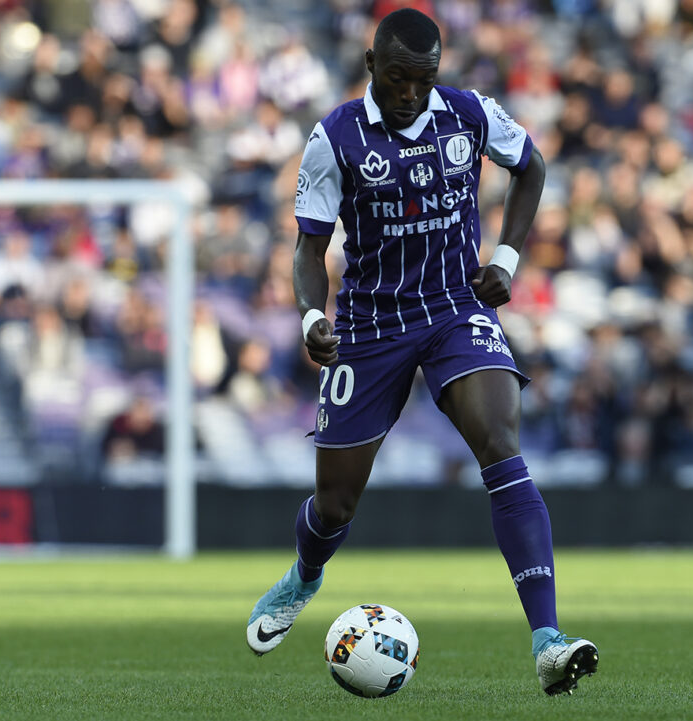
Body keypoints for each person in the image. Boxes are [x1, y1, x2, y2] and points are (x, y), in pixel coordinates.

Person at [245, 8, 598, 696]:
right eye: (399, 77)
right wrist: (314, 313)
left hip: (453, 310)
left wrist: (507, 255)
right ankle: (305, 575)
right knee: (335, 505)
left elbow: (532, 167)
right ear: (372, 66)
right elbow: (310, 247)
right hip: (371, 326)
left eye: (424, 79)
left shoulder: (468, 114)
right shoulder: (336, 137)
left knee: (500, 440)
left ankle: (548, 639)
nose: (411, 92)